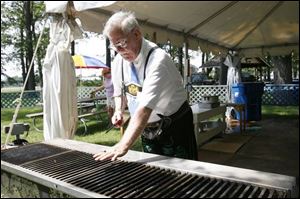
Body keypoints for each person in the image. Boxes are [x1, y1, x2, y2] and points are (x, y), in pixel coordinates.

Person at [93, 11, 198, 161]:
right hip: (146, 127)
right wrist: (118, 110)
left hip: (175, 125)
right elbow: (119, 91)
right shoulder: (118, 61)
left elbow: (144, 109)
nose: (119, 51)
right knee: (153, 172)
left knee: (184, 174)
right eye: (114, 46)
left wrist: (123, 145)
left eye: (122, 43)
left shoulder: (158, 60)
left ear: (136, 34)